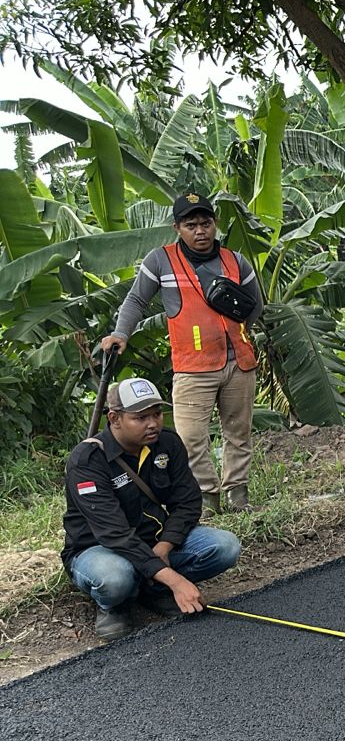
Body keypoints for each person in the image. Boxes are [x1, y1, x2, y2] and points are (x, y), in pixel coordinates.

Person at [101, 193, 263, 514]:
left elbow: (255, 305)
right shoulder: (160, 261)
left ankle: (237, 494)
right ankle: (206, 496)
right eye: (191, 225)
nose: (200, 231)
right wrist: (121, 333)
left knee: (238, 432)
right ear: (177, 227)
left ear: (215, 224)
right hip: (192, 367)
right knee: (190, 437)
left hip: (239, 362)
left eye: (206, 223)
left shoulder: (235, 260)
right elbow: (136, 301)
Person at [62, 377, 241, 641]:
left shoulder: (167, 443)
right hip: (101, 548)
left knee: (225, 547)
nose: (153, 423)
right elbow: (114, 533)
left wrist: (165, 546)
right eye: (141, 417)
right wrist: (176, 580)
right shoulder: (87, 461)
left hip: (154, 542)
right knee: (114, 578)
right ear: (114, 418)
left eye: (157, 414)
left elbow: (188, 501)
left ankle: (153, 590)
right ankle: (114, 606)